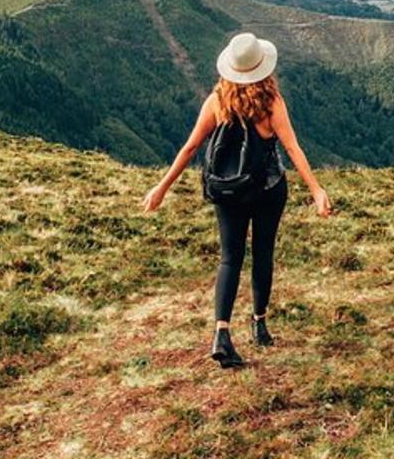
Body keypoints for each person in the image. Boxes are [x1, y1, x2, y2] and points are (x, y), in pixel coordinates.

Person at [142, 32, 333, 368]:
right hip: (268, 190)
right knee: (262, 254)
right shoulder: (271, 103)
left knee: (229, 258)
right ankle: (259, 324)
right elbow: (292, 148)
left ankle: (221, 333)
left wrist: (162, 187)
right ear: (262, 69)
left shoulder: (218, 101)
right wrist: (316, 190)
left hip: (227, 192)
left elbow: (190, 148)